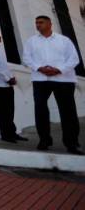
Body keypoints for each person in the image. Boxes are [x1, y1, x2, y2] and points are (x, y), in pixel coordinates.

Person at [22, 15, 82, 154]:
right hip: (40, 79)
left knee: (68, 112)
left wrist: (58, 70)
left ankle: (71, 143)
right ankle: (44, 140)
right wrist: (40, 68)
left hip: (64, 80)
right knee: (40, 110)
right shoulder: (31, 41)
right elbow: (26, 58)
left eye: (41, 22)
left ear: (50, 24)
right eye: (36, 23)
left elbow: (73, 59)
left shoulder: (64, 40)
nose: (38, 25)